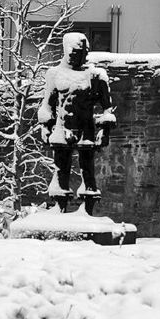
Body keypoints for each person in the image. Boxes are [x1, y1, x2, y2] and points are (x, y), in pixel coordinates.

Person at [38, 32, 116, 215]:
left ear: (85, 52)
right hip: (61, 127)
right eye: (72, 52)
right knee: (61, 170)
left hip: (86, 129)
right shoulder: (54, 74)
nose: (76, 56)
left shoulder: (97, 76)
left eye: (79, 52)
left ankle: (87, 210)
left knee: (88, 171)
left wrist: (104, 131)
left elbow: (107, 108)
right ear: (65, 51)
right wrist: (45, 126)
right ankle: (60, 206)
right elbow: (47, 105)